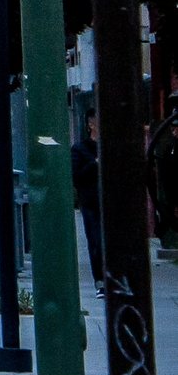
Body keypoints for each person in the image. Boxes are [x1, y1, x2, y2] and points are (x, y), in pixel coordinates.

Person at [71, 113, 104, 285]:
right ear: (91, 125)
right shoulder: (81, 149)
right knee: (96, 241)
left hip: (110, 202)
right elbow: (76, 176)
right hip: (91, 201)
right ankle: (99, 278)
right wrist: (94, 163)